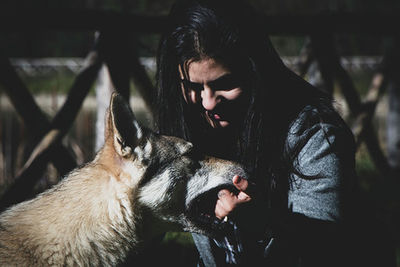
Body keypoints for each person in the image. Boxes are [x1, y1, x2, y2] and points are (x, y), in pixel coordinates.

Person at [153, 0, 393, 266]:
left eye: (226, 83)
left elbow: (326, 245)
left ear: (254, 71)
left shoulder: (313, 133)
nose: (208, 103)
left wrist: (263, 225)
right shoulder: (188, 126)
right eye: (193, 86)